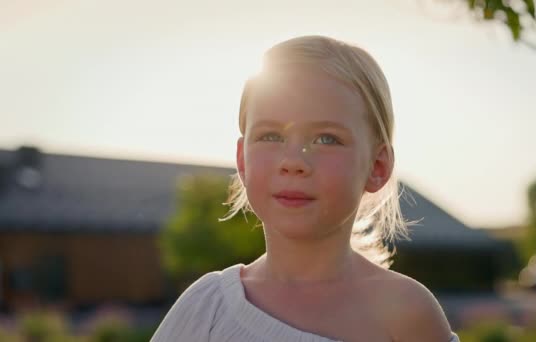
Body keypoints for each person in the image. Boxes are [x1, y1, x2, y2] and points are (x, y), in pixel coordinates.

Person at [152, 35, 460, 342]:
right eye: (271, 136)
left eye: (327, 139)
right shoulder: (208, 310)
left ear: (377, 167)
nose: (292, 162)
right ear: (242, 160)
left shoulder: (407, 314)